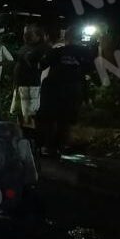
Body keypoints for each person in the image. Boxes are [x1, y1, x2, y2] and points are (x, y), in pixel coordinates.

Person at [35, 27, 94, 157]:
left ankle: (47, 146)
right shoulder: (86, 53)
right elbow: (88, 73)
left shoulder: (56, 52)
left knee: (49, 120)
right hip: (73, 91)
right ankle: (58, 146)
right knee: (65, 121)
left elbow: (41, 65)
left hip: (54, 90)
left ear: (66, 38)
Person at [11, 25, 49, 129]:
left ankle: (30, 137)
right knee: (19, 113)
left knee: (30, 114)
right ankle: (21, 134)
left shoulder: (42, 48)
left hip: (31, 85)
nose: (26, 35)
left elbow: (41, 64)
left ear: (38, 36)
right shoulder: (25, 47)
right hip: (19, 85)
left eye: (30, 33)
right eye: (26, 32)